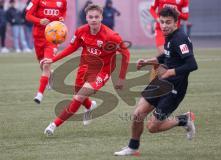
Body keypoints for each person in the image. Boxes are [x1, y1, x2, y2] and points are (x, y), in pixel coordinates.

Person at [114, 7, 198, 156]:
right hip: (161, 81)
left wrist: (170, 72)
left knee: (152, 127)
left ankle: (184, 120)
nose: (164, 25)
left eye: (168, 22)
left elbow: (192, 64)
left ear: (176, 23)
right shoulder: (169, 36)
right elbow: (165, 57)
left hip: (175, 88)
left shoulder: (180, 39)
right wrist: (147, 62)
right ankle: (133, 147)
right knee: (138, 114)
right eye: (162, 22)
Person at [41, 4, 130, 136]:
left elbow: (126, 54)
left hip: (102, 71)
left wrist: (121, 78)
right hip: (85, 67)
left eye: (96, 17)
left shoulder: (112, 36)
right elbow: (71, 48)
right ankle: (90, 106)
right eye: (91, 17)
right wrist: (53, 60)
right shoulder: (81, 31)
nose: (93, 19)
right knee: (78, 94)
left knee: (79, 96)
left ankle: (53, 125)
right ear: (86, 18)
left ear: (101, 18)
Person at [25, 0, 67, 104]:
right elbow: (28, 16)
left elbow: (63, 12)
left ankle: (39, 95)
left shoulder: (63, 1)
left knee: (46, 64)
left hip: (52, 38)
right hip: (38, 37)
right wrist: (39, 21)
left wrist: (61, 19)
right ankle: (50, 74)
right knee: (42, 64)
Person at [149, 0, 189, 80]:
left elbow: (186, 16)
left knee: (171, 57)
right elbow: (152, 9)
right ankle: (154, 80)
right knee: (163, 54)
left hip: (173, 31)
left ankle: (160, 79)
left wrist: (178, 13)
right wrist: (157, 18)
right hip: (160, 29)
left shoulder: (184, 1)